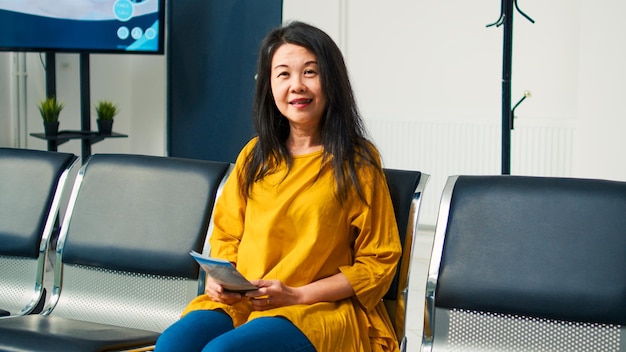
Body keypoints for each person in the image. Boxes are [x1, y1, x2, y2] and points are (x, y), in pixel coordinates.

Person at [154, 21, 401, 352]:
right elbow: (227, 235)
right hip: (244, 303)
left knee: (221, 351)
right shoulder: (255, 155)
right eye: (283, 74)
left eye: (310, 72)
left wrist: (298, 294)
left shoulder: (357, 161)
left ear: (332, 82)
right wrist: (220, 280)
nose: (296, 85)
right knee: (173, 345)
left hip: (315, 308)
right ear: (269, 86)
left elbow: (378, 262)